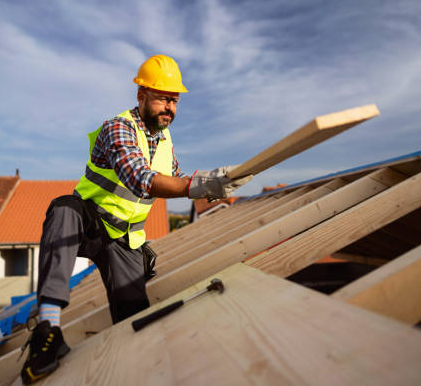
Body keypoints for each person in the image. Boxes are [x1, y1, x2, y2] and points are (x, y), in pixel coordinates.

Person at [20, 54, 252, 384]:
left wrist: (213, 186)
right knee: (63, 208)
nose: (169, 108)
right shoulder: (119, 129)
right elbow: (140, 178)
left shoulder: (165, 143)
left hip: (125, 241)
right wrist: (199, 185)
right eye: (162, 98)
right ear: (141, 96)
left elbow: (176, 177)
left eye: (174, 100)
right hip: (90, 224)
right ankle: (48, 330)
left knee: (135, 324)